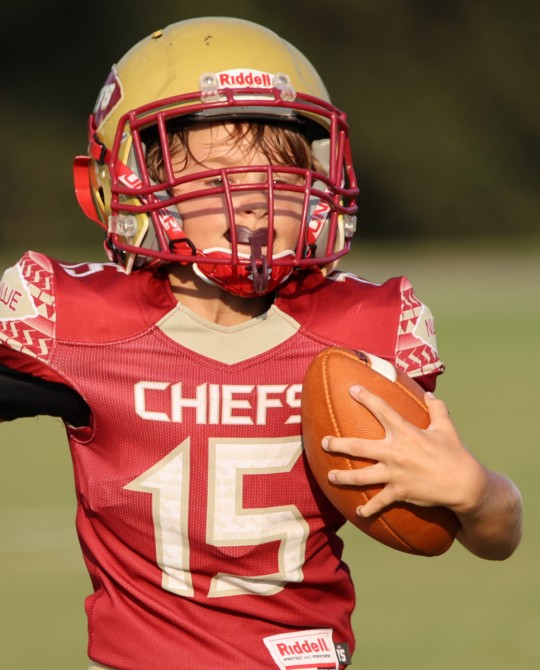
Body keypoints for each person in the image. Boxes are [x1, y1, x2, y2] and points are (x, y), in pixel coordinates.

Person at [0, 16, 522, 670]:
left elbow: (495, 534)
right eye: (215, 173)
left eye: (281, 172)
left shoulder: (362, 330)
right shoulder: (78, 321)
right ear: (128, 180)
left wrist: (478, 492)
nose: (253, 200)